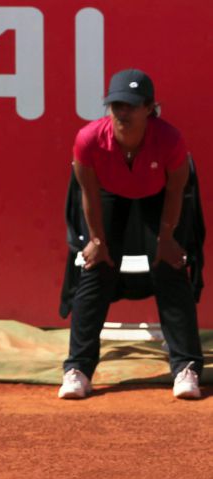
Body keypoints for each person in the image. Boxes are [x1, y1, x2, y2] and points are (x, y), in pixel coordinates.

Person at [60, 68, 204, 400]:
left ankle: (186, 369)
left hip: (159, 195)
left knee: (170, 269)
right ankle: (78, 369)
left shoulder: (169, 139)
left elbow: (177, 190)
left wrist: (166, 239)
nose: (123, 112)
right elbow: (87, 193)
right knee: (96, 270)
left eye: (131, 105)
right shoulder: (89, 139)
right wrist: (96, 241)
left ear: (149, 108)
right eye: (117, 105)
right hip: (108, 194)